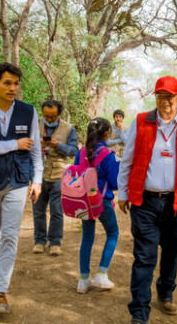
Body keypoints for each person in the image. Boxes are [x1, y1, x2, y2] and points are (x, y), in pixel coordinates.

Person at [117, 76, 177, 324]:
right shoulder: (141, 121)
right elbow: (127, 160)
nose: (165, 102)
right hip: (144, 202)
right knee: (145, 256)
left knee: (171, 252)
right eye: (160, 96)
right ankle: (139, 311)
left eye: (170, 97)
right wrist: (123, 193)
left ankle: (166, 292)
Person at [0, 63, 43, 314]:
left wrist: (37, 179)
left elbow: (36, 148)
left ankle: (0, 292)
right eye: (7, 83)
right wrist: (14, 144)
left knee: (10, 236)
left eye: (16, 83)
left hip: (18, 181)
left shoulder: (28, 112)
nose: (13, 88)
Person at [75, 118, 120, 293]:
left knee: (87, 238)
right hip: (102, 201)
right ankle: (101, 274)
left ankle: (84, 280)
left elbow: (76, 172)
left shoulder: (82, 152)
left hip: (84, 200)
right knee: (113, 233)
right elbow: (115, 183)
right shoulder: (108, 155)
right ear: (107, 133)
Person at [33, 99, 78, 254]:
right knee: (38, 210)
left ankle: (55, 242)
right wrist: (37, 144)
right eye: (46, 116)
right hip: (38, 173)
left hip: (59, 174)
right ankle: (39, 241)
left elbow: (73, 151)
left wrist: (56, 145)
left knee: (56, 211)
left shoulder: (69, 128)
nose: (49, 119)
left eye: (52, 116)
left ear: (59, 114)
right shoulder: (35, 124)